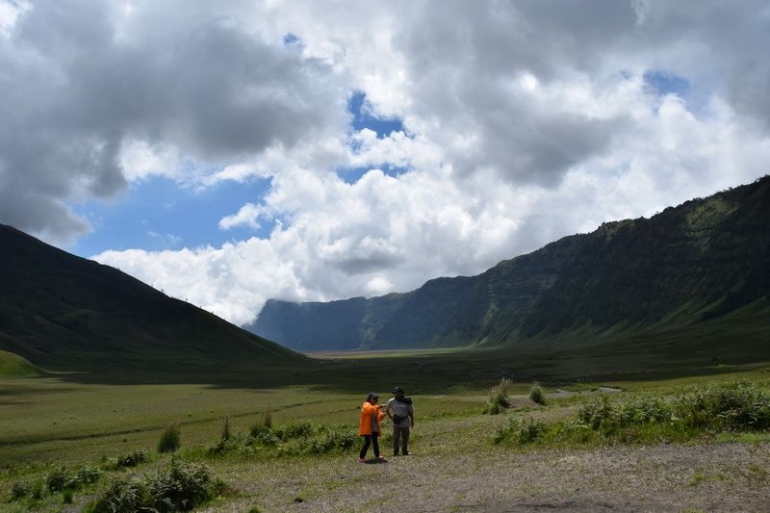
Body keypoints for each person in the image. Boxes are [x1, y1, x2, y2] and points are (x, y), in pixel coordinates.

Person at [358, 392, 387, 462]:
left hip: (374, 428)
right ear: (369, 398)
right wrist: (379, 406)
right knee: (367, 442)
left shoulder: (375, 407)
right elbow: (369, 410)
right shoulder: (366, 404)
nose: (375, 400)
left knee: (375, 442)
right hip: (367, 428)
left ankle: (377, 456)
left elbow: (379, 417)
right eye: (374, 398)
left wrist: (382, 415)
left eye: (376, 398)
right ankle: (361, 457)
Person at [385, 386, 414, 456]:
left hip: (405, 420)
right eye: (395, 393)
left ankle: (405, 451)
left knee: (405, 437)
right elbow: (387, 409)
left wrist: (412, 421)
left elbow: (410, 412)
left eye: (398, 393)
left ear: (401, 393)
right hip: (396, 421)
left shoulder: (407, 400)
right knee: (396, 437)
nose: (396, 394)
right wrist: (391, 417)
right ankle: (395, 452)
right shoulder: (391, 401)